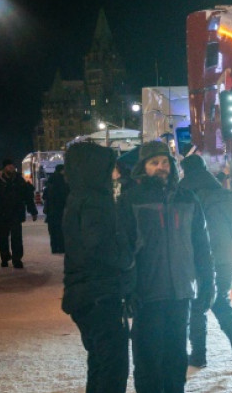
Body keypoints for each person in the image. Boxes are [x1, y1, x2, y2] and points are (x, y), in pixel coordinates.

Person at [118, 141, 214, 392]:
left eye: (164, 162)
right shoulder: (131, 200)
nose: (160, 167)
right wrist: (126, 290)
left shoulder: (187, 198)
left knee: (175, 358)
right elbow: (122, 249)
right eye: (154, 163)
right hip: (146, 295)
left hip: (180, 292)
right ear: (143, 168)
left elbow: (201, 246)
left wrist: (207, 283)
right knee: (148, 360)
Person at [61, 142, 135, 393]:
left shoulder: (79, 196)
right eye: (110, 167)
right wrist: (127, 258)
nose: (115, 172)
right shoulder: (95, 200)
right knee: (113, 368)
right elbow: (100, 245)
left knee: (100, 363)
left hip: (86, 294)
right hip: (98, 294)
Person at [179, 153, 232, 368]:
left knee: (198, 305)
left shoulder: (188, 195)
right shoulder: (228, 196)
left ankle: (199, 355)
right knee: (221, 300)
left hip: (202, 259)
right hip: (228, 258)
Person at [0, 159, 38, 268]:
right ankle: (4, 256)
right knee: (2, 238)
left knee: (17, 238)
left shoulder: (19, 180)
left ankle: (17, 259)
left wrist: (33, 211)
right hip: (1, 214)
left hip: (16, 214)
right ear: (4, 168)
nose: (11, 168)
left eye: (12, 166)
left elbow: (27, 196)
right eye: (9, 166)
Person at [43, 164, 69, 254]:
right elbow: (65, 196)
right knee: (60, 230)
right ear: (62, 170)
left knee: (53, 230)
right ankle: (61, 247)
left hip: (51, 211)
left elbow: (44, 196)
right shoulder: (62, 181)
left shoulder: (50, 181)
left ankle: (54, 248)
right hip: (60, 210)